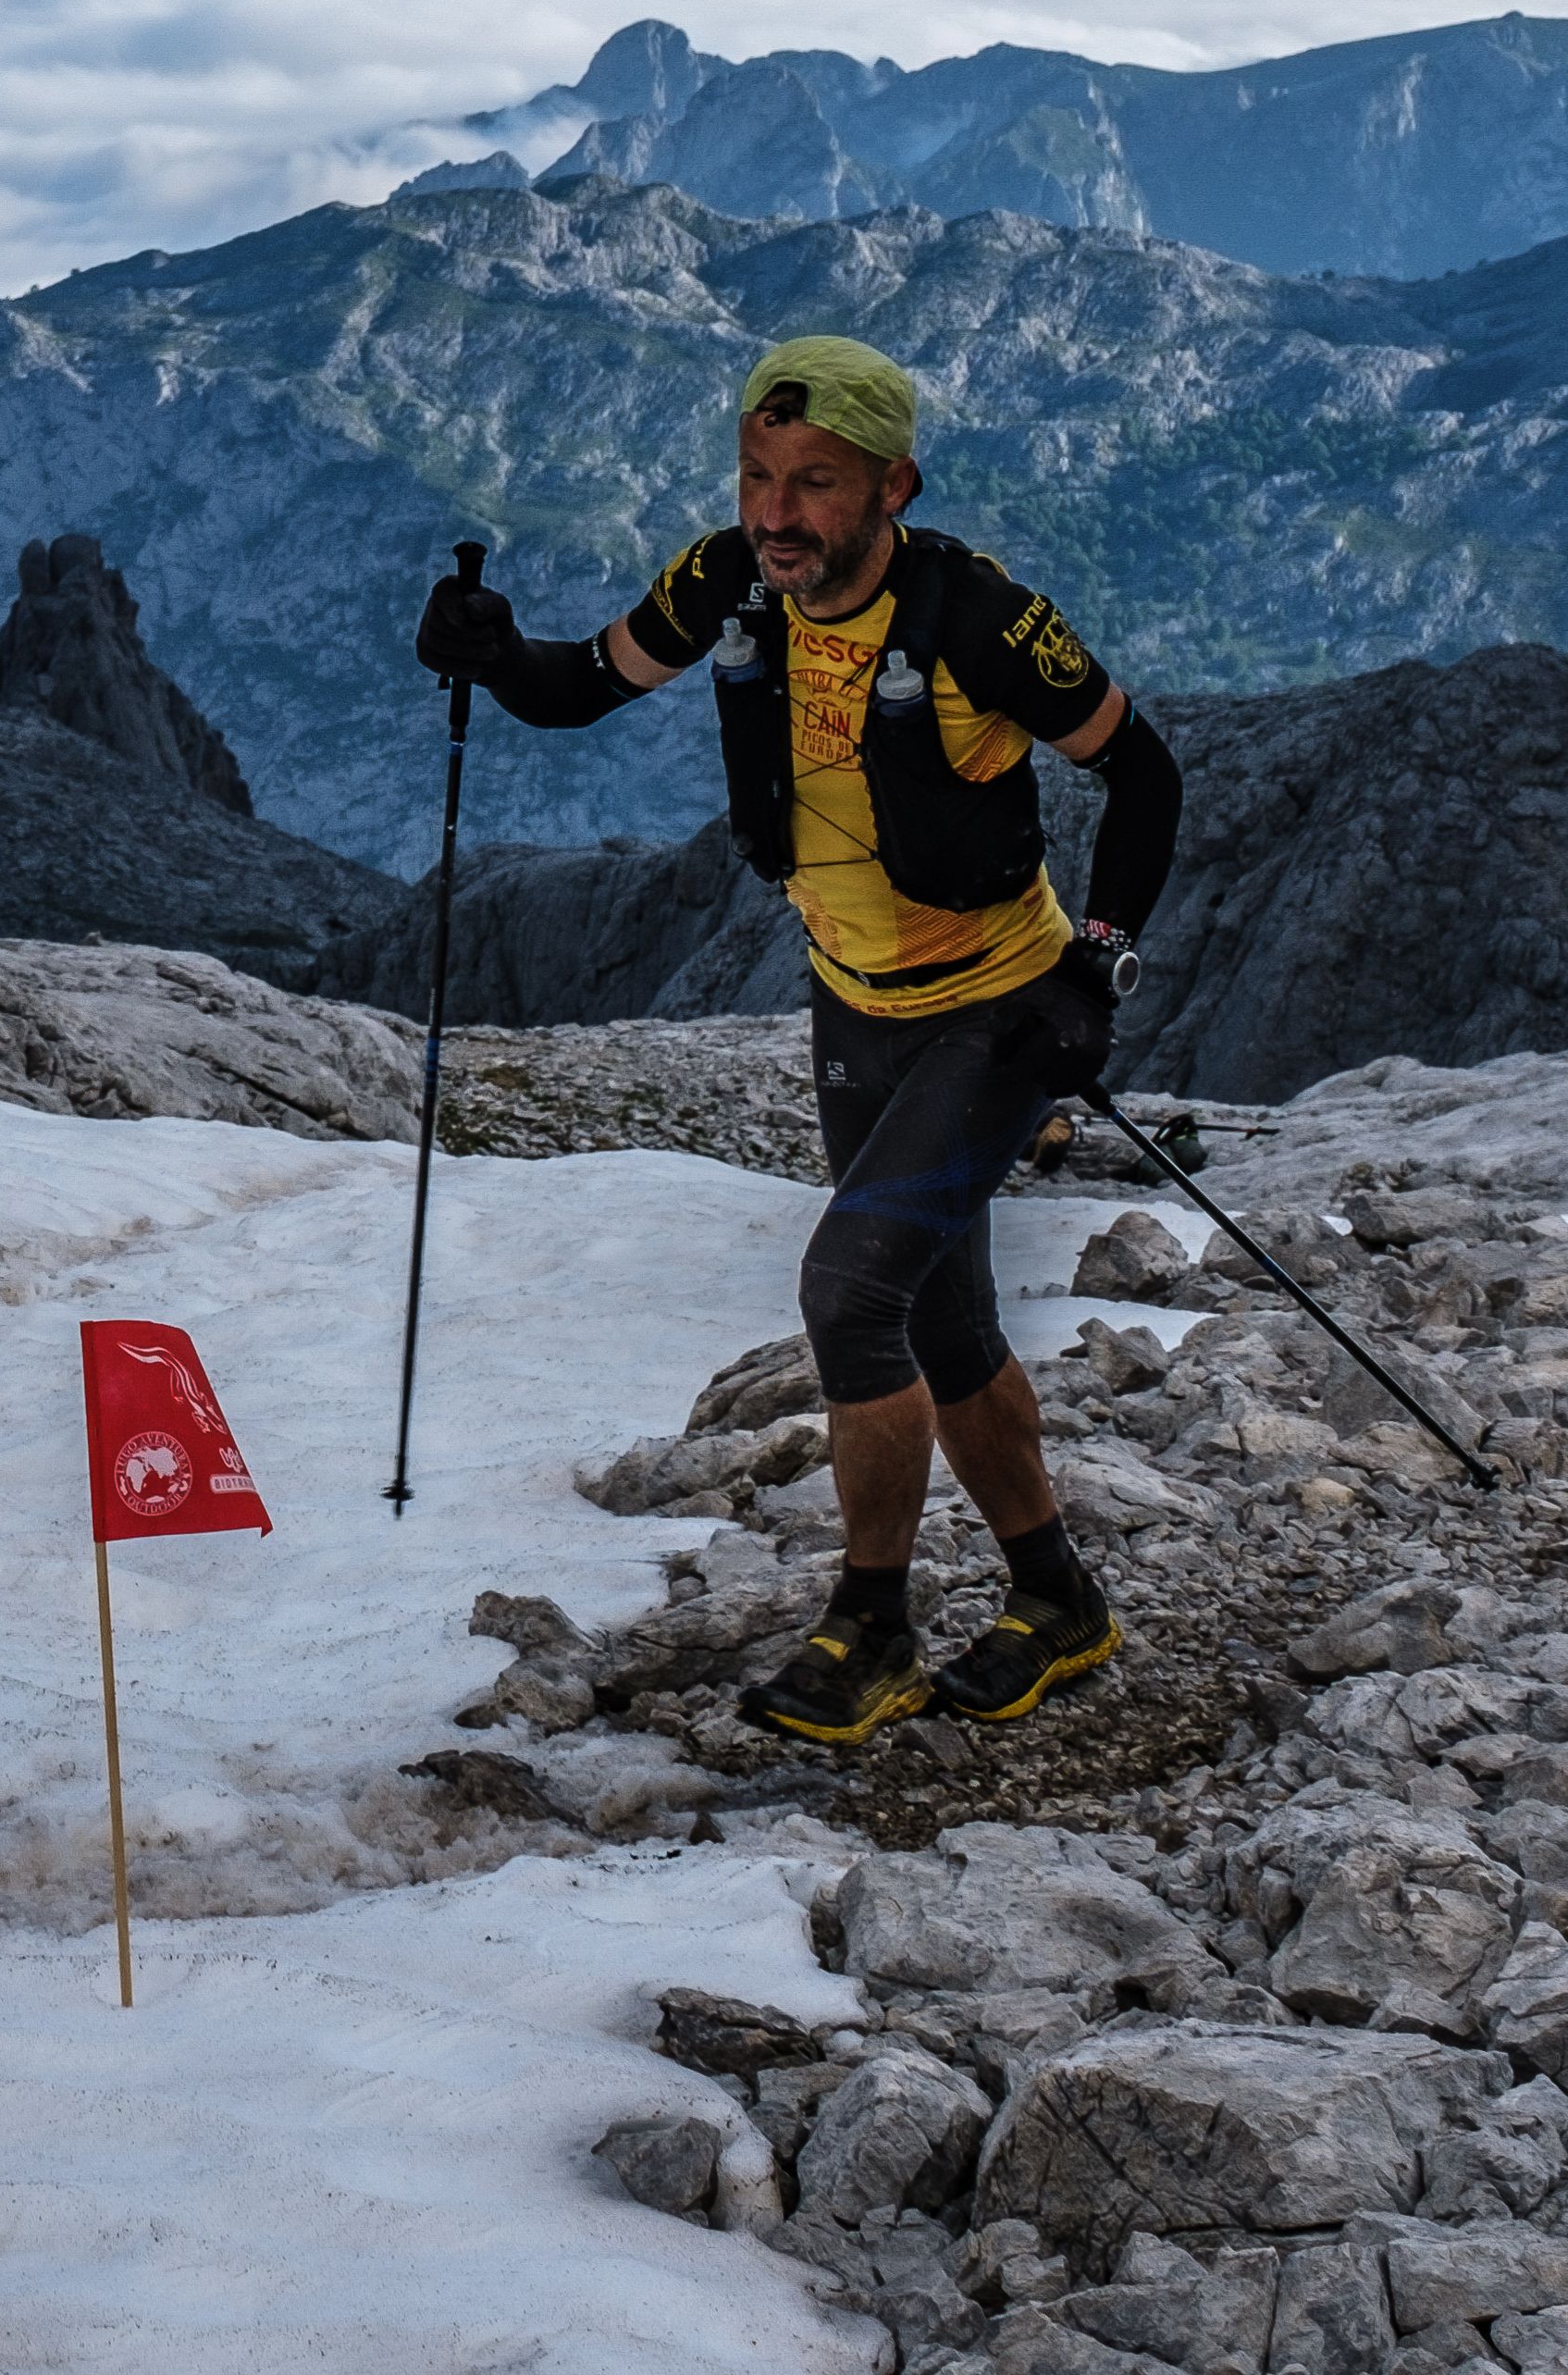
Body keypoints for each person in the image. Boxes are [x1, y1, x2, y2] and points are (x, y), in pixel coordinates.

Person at [411, 332, 1184, 1745]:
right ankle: (1058, 1600)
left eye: (813, 484)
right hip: (852, 1002)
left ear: (892, 484)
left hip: (997, 1011)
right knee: (941, 1324)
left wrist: (1098, 965)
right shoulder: (725, 582)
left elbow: (1138, 769)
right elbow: (582, 681)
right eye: (758, 475)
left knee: (848, 1295)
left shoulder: (979, 620)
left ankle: (872, 1624)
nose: (774, 512)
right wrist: (491, 652)